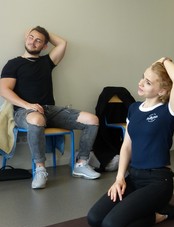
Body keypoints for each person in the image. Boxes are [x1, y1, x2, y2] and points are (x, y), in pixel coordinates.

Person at [87, 57, 174, 227]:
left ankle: (160, 215)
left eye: (148, 82)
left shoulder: (169, 111)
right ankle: (141, 204)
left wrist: (163, 60)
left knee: (112, 226)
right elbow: (126, 146)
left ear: (162, 90)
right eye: (142, 78)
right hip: (134, 178)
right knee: (94, 218)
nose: (140, 83)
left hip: (158, 182)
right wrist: (119, 178)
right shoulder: (133, 108)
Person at [0, 26, 101, 189]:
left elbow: (62, 43)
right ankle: (40, 170)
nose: (32, 42)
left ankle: (81, 164)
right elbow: (4, 90)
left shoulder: (47, 61)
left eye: (38, 40)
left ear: (45, 46)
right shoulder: (14, 64)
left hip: (50, 110)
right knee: (37, 119)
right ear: (26, 37)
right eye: (30, 37)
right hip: (23, 112)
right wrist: (28, 105)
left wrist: (43, 34)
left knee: (92, 120)